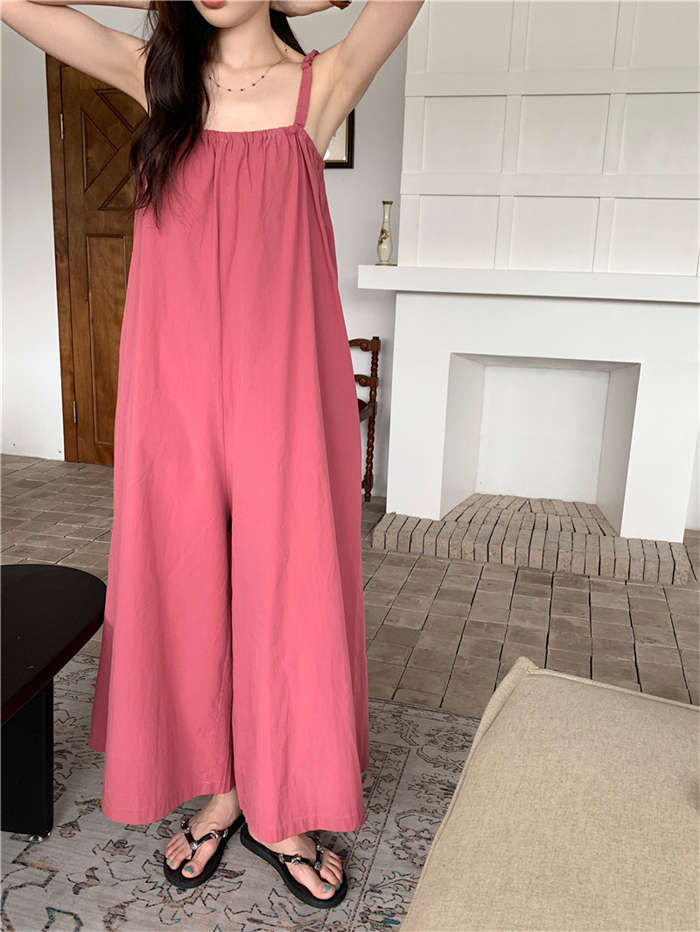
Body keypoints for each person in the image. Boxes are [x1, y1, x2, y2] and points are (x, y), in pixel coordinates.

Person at [1, 0, 423, 909]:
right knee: (187, 579)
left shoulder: (319, 84)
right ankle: (222, 789)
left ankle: (281, 805)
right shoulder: (158, 78)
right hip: (175, 391)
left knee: (287, 587)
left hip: (285, 390)